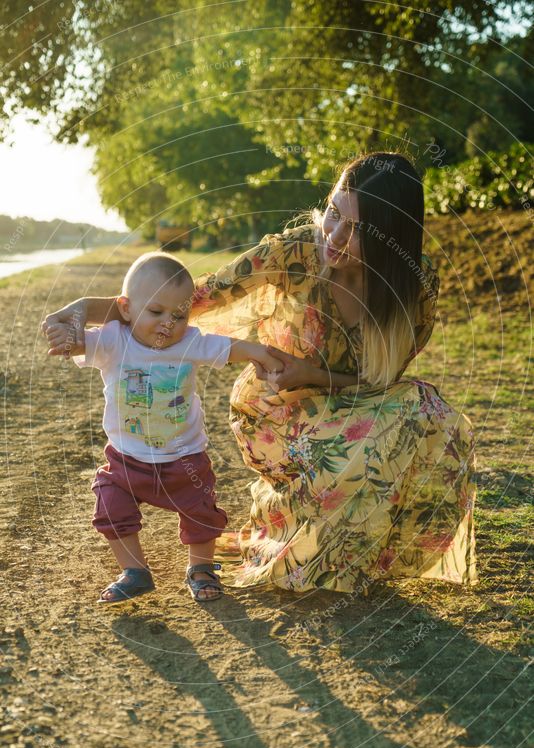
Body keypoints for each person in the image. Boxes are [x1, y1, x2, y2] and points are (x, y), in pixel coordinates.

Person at [43, 152, 477, 595]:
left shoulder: (413, 283)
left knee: (426, 414)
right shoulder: (294, 252)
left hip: (352, 398)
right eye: (333, 214)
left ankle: (358, 544)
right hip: (278, 404)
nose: (336, 236)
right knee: (358, 450)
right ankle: (309, 540)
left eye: (358, 230)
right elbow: (192, 298)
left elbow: (382, 381)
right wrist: (85, 308)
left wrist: (314, 372)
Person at [45, 251, 283, 603]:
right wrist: (65, 337)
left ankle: (200, 568)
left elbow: (227, 347)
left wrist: (260, 353)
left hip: (183, 457)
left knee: (201, 511)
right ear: (126, 309)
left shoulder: (190, 343)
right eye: (155, 312)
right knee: (110, 504)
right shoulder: (114, 340)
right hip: (127, 458)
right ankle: (134, 571)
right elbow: (81, 343)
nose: (168, 323)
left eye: (179, 315)